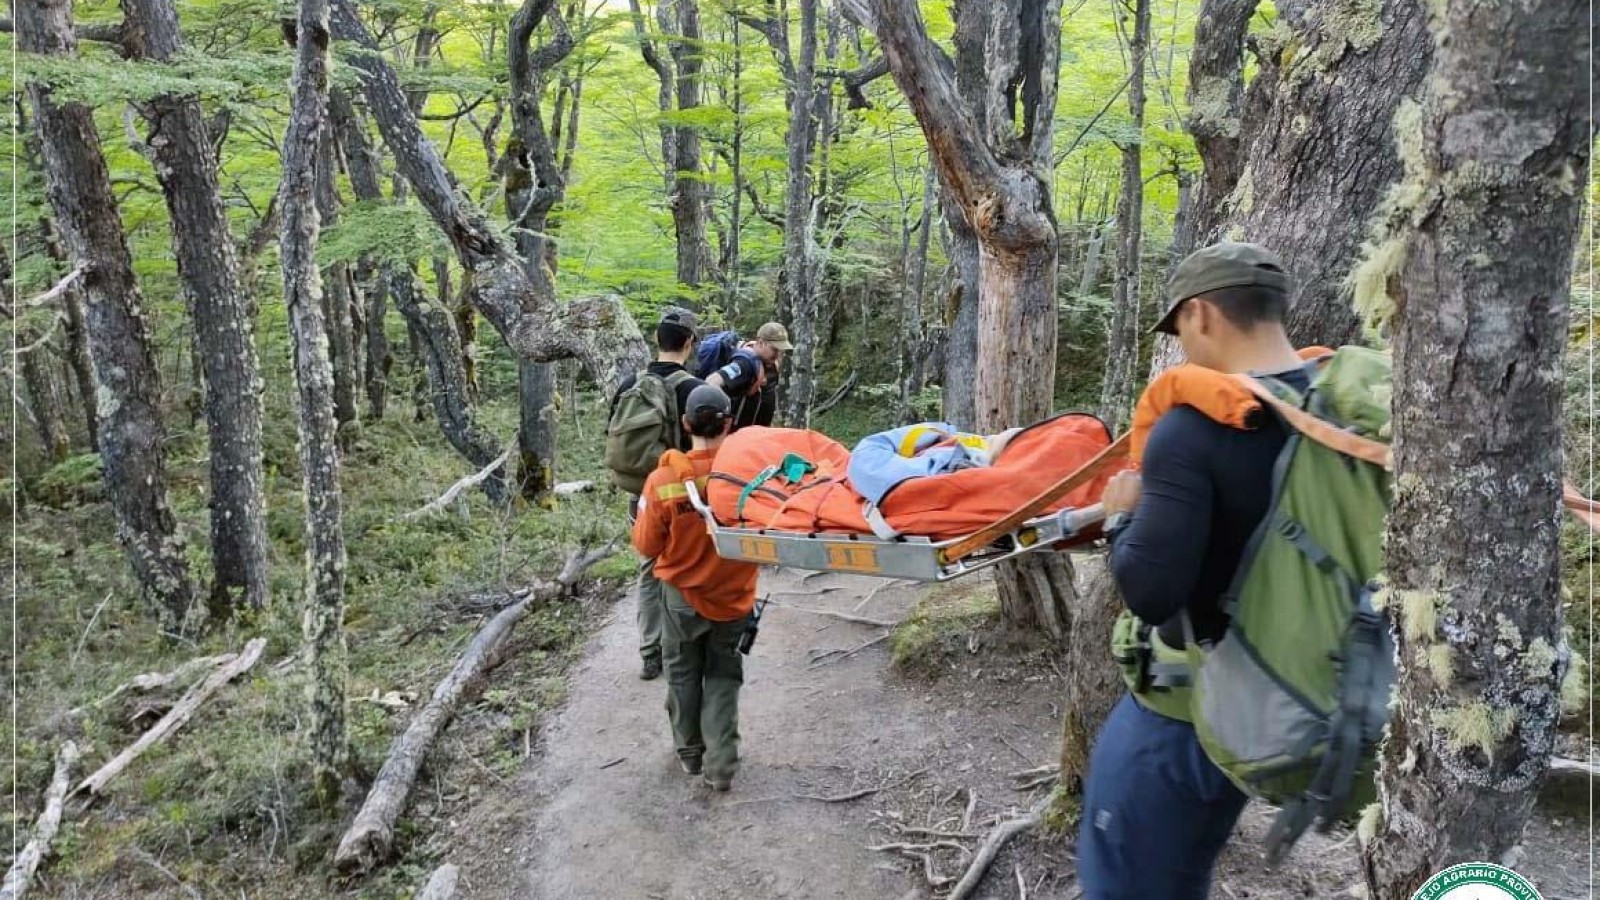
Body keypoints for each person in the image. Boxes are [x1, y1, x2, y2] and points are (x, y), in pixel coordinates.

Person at [1076, 241, 1308, 899]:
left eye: (1178, 327)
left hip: (1192, 711)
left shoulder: (1194, 427)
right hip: (1302, 691)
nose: (1182, 345)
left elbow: (1151, 593)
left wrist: (1122, 517)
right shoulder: (1335, 408)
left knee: (1127, 877)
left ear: (1200, 313)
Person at [630, 384, 760, 791]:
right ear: (730, 422)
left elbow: (646, 546)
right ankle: (721, 765)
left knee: (683, 673)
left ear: (685, 424)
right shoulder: (748, 475)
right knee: (723, 673)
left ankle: (690, 755)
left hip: (681, 598)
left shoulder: (664, 479)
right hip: (735, 596)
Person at [607, 307, 706, 681]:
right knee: (687, 568)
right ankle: (685, 650)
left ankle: (650, 652)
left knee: (650, 572)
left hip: (642, 498)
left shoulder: (629, 383)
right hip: (683, 499)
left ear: (656, 340)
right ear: (690, 343)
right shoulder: (695, 390)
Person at [704, 321, 793, 431]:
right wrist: (724, 413)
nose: (778, 354)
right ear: (760, 343)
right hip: (737, 437)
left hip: (756, 436)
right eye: (774, 349)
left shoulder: (769, 364)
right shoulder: (744, 364)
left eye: (781, 351)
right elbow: (712, 381)